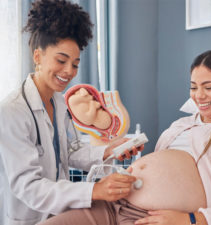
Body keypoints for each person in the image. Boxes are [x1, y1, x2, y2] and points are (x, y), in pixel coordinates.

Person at [39, 49, 211, 225]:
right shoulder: (181, 125)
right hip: (115, 205)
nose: (199, 96)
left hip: (160, 220)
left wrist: (191, 220)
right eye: (194, 87)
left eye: (208, 87)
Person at [0, 1, 142, 224]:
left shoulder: (59, 102)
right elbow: (29, 187)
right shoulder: (11, 112)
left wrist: (107, 151)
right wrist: (92, 191)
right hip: (28, 219)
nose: (69, 72)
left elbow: (71, 150)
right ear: (37, 57)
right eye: (61, 60)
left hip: (60, 215)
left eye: (75, 64)